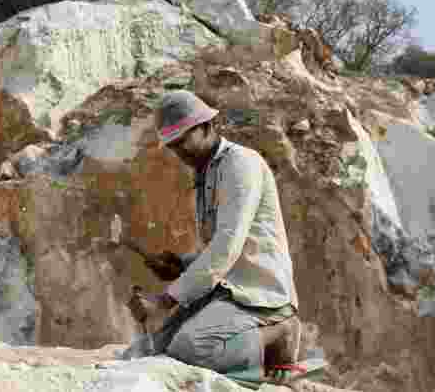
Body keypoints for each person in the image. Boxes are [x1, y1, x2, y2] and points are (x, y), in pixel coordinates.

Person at [122, 90, 301, 377]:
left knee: (189, 350)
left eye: (183, 142)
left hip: (260, 292)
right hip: (227, 290)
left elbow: (227, 247)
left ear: (207, 126)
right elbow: (220, 250)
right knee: (148, 351)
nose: (180, 152)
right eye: (173, 146)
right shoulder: (206, 173)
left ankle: (280, 331)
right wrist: (180, 264)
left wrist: (164, 301)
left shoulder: (241, 163)